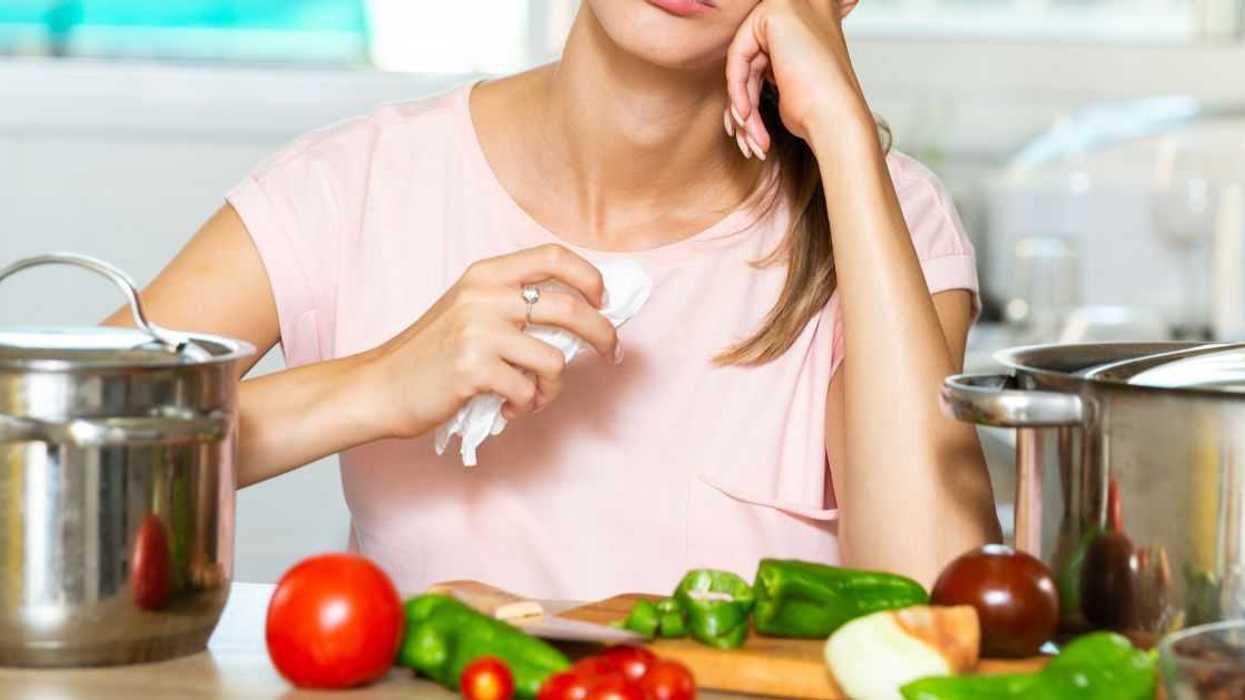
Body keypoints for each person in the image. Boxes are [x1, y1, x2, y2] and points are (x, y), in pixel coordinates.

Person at [109, 0, 1001, 599]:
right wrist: (374, 386)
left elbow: (937, 608)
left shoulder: (888, 220)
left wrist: (841, 129)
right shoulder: (353, 186)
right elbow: (34, 460)